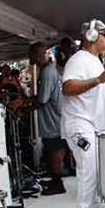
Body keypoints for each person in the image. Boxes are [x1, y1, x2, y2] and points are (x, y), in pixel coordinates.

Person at [60, 19, 105, 208]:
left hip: (90, 126)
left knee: (95, 172)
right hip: (80, 126)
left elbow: (93, 94)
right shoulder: (79, 60)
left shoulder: (94, 61)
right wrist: (98, 80)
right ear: (91, 36)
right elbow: (67, 87)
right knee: (88, 171)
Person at [28, 42, 67, 195]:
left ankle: (58, 184)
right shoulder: (46, 71)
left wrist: (25, 109)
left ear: (37, 55)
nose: (28, 57)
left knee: (54, 151)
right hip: (51, 119)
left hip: (53, 120)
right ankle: (54, 179)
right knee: (51, 150)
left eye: (30, 54)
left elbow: (42, 100)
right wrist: (26, 101)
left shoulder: (48, 73)